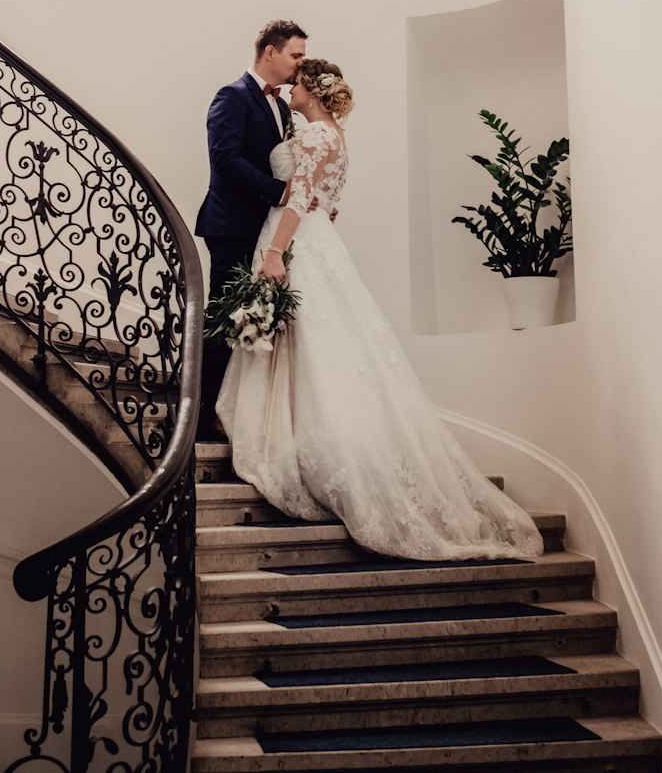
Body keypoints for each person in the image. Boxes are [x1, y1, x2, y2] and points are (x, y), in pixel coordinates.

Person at [216, 58, 544, 562]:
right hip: (319, 237)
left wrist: (277, 253)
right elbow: (328, 200)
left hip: (295, 237)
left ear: (313, 91)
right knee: (318, 343)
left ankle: (300, 443)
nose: (291, 87)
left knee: (310, 342)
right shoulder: (331, 135)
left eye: (298, 83)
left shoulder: (317, 137)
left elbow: (300, 197)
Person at [195, 19, 309, 442]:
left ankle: (237, 410)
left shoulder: (282, 107)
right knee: (223, 319)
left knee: (255, 322)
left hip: (264, 231)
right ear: (270, 52)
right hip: (231, 226)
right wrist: (280, 193)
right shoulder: (233, 96)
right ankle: (202, 415)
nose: (301, 64)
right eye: (296, 55)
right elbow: (225, 159)